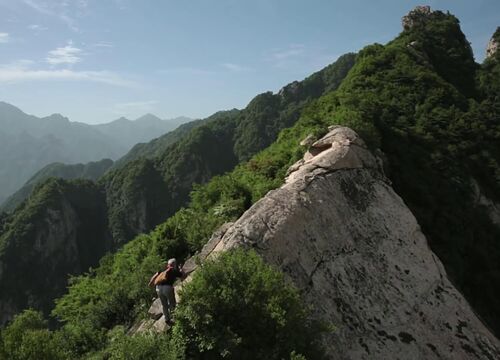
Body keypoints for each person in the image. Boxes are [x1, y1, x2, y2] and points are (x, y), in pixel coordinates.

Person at [155, 258, 184, 324]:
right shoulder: (173, 270)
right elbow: (183, 276)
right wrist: (180, 269)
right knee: (172, 303)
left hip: (158, 288)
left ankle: (167, 319)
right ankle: (175, 318)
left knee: (164, 304)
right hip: (167, 287)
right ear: (174, 264)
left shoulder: (163, 270)